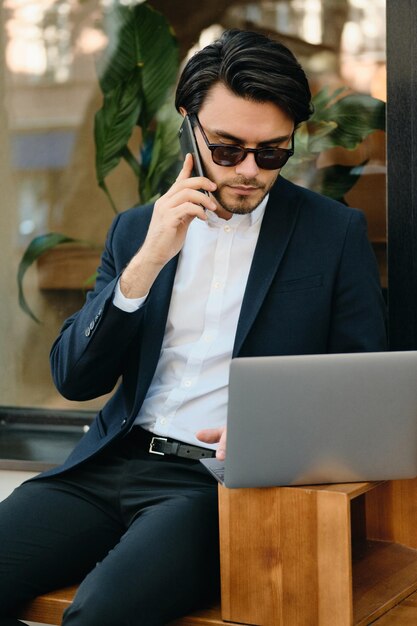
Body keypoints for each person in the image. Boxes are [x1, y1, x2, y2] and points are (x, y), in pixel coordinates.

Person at [0, 29, 386, 626]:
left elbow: (365, 393)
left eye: (273, 153)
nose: (250, 172)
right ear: (189, 123)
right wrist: (147, 262)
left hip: (212, 487)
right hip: (106, 464)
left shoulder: (333, 236)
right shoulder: (136, 230)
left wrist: (280, 439)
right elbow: (74, 378)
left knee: (100, 614)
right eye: (229, 150)